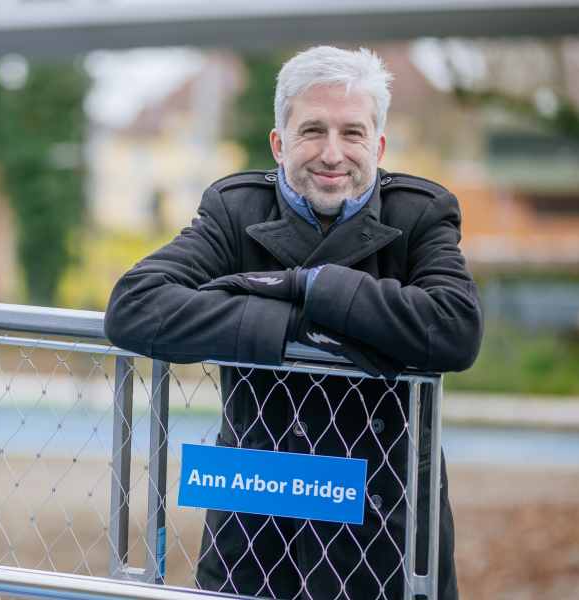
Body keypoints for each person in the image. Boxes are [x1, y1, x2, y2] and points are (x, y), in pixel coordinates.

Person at [104, 46, 481, 599]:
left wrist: (309, 285)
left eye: (352, 133)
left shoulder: (419, 215)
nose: (333, 153)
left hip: (386, 528)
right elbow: (136, 306)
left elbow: (455, 328)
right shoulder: (236, 212)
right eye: (312, 131)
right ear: (279, 144)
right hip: (256, 524)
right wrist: (299, 328)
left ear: (378, 145)